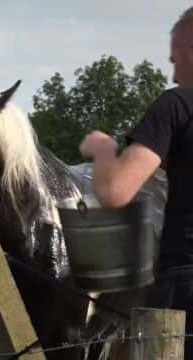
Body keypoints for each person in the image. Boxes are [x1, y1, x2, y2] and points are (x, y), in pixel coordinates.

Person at [80, 6, 193, 357]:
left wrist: (102, 150)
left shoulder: (176, 105)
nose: (173, 74)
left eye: (175, 60)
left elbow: (116, 191)